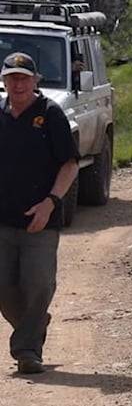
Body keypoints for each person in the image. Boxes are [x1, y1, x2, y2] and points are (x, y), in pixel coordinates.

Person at [0, 51, 79, 375]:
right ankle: (34, 322)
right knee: (3, 288)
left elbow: (70, 164)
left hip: (40, 220)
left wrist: (50, 203)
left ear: (35, 81)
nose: (17, 84)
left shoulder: (50, 114)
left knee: (38, 285)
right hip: (1, 219)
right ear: (3, 81)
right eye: (10, 77)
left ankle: (27, 350)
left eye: (23, 77)